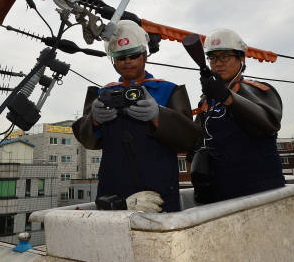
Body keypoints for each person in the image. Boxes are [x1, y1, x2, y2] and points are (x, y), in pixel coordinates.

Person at [72, 20, 201, 212]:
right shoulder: (102, 95)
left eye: (133, 55)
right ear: (113, 60)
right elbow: (88, 142)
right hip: (113, 193)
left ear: (145, 56)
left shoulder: (169, 91)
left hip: (159, 193)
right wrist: (93, 120)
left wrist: (159, 115)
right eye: (121, 57)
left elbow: (191, 140)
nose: (128, 61)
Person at [191, 28, 284, 204]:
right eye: (213, 58)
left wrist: (228, 97)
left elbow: (269, 124)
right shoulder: (206, 102)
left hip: (262, 192)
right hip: (221, 193)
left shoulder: (260, 91)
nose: (218, 63)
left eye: (225, 56)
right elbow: (194, 141)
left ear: (241, 58)